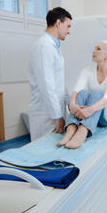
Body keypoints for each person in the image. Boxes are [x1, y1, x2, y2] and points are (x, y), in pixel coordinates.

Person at [57, 40, 107, 149]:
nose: (93, 51)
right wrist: (73, 104)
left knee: (97, 93)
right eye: (94, 48)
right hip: (89, 113)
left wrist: (88, 110)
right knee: (83, 93)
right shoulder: (87, 70)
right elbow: (77, 90)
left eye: (98, 49)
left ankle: (83, 131)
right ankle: (71, 129)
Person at [28, 7, 72, 141]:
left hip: (54, 109)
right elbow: (46, 85)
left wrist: (69, 102)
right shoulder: (44, 46)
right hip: (46, 114)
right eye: (68, 26)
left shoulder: (53, 47)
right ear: (58, 23)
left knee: (53, 151)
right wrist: (57, 116)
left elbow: (58, 81)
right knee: (43, 152)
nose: (69, 31)